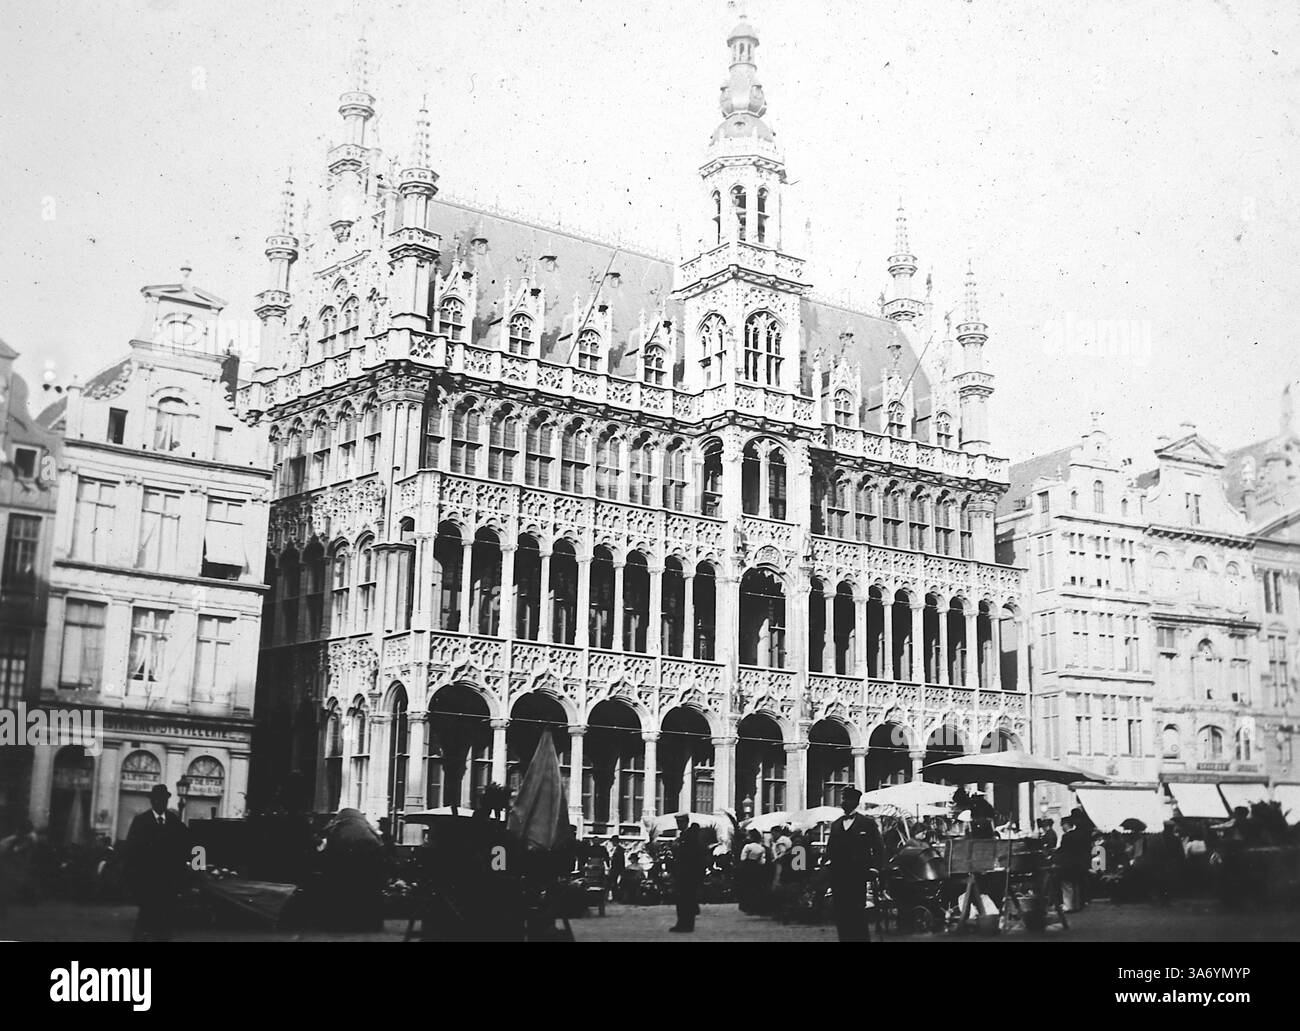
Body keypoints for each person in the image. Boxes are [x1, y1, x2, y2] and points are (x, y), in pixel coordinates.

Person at [125, 785, 192, 941]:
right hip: (147, 884)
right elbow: (131, 854)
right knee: (145, 925)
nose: (160, 802)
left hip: (168, 885)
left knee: (164, 927)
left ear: (167, 801)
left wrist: (191, 870)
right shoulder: (141, 821)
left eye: (164, 799)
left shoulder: (175, 822)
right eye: (157, 799)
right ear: (152, 801)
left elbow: (188, 847)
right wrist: (134, 885)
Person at [825, 786, 883, 942]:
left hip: (858, 874)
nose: (845, 802)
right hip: (838, 875)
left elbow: (878, 848)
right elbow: (830, 849)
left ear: (856, 802)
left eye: (848, 799)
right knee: (841, 912)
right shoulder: (836, 824)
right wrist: (826, 865)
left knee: (857, 910)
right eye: (843, 799)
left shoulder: (867, 823)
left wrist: (875, 868)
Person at [669, 818, 708, 932]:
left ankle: (685, 924)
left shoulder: (690, 837)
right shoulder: (685, 836)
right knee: (685, 899)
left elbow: (690, 855)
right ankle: (684, 923)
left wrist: (676, 848)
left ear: (685, 822)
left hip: (687, 874)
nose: (678, 825)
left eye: (680, 822)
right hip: (684, 873)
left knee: (685, 899)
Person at [1055, 816, 1092, 913]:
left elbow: (1063, 850)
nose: (1062, 828)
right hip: (1079, 863)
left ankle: (1069, 905)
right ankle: (1078, 905)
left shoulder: (1066, 836)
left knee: (1067, 884)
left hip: (1068, 863)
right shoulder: (1080, 835)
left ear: (1066, 825)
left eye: (1062, 825)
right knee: (1077, 883)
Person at [606, 835, 626, 902]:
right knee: (611, 883)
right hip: (613, 868)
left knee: (614, 883)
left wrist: (622, 870)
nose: (613, 843)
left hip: (617, 869)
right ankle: (613, 897)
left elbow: (621, 861)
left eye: (614, 841)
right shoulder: (613, 849)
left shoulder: (620, 849)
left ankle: (616, 897)